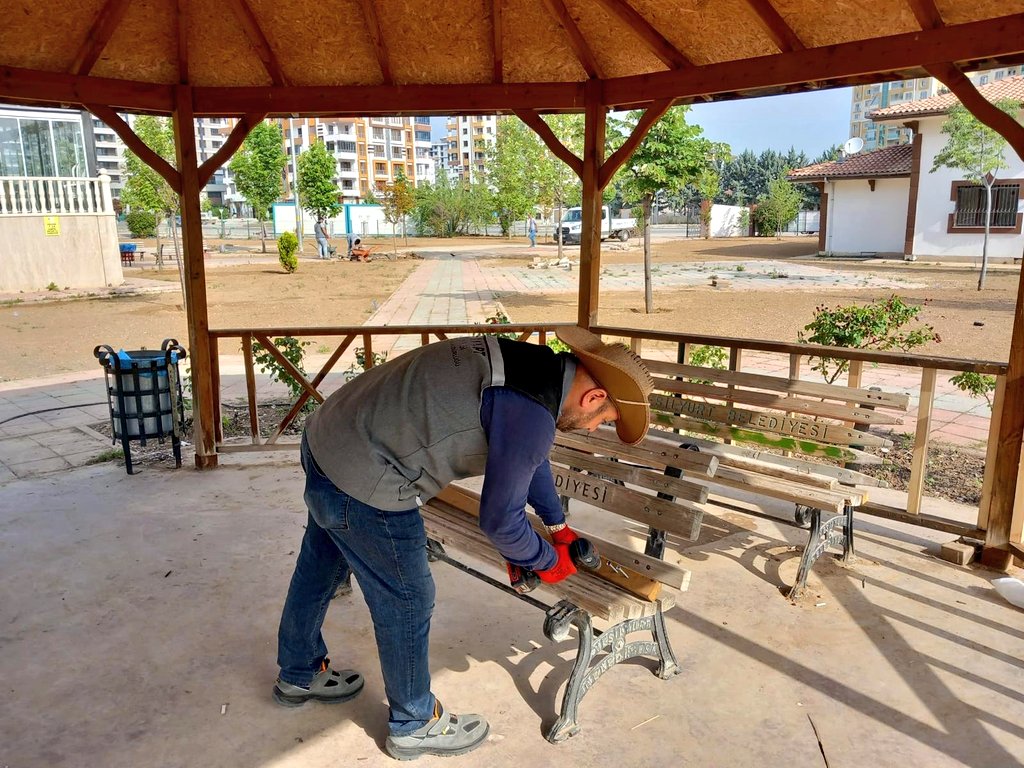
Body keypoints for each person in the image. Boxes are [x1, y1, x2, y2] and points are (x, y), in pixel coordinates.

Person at [273, 326, 654, 760]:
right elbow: (500, 521)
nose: (594, 428)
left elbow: (530, 459)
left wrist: (556, 524)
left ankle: (298, 672)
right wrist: (546, 561)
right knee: (409, 598)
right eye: (603, 421)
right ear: (593, 398)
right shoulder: (531, 412)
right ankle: (414, 724)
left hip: (328, 439)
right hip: (367, 476)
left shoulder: (532, 367)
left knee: (320, 565)